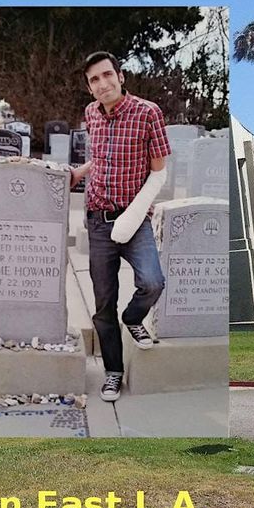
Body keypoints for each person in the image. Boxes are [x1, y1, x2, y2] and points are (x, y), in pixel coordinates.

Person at [69, 51, 169, 402]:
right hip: (98, 220)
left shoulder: (147, 113)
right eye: (94, 80)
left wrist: (132, 216)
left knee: (153, 281)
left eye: (107, 75)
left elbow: (159, 172)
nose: (102, 84)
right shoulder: (91, 114)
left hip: (135, 217)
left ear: (121, 76)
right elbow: (101, 157)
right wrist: (79, 173)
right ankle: (113, 372)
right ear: (89, 86)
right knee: (102, 303)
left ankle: (134, 316)